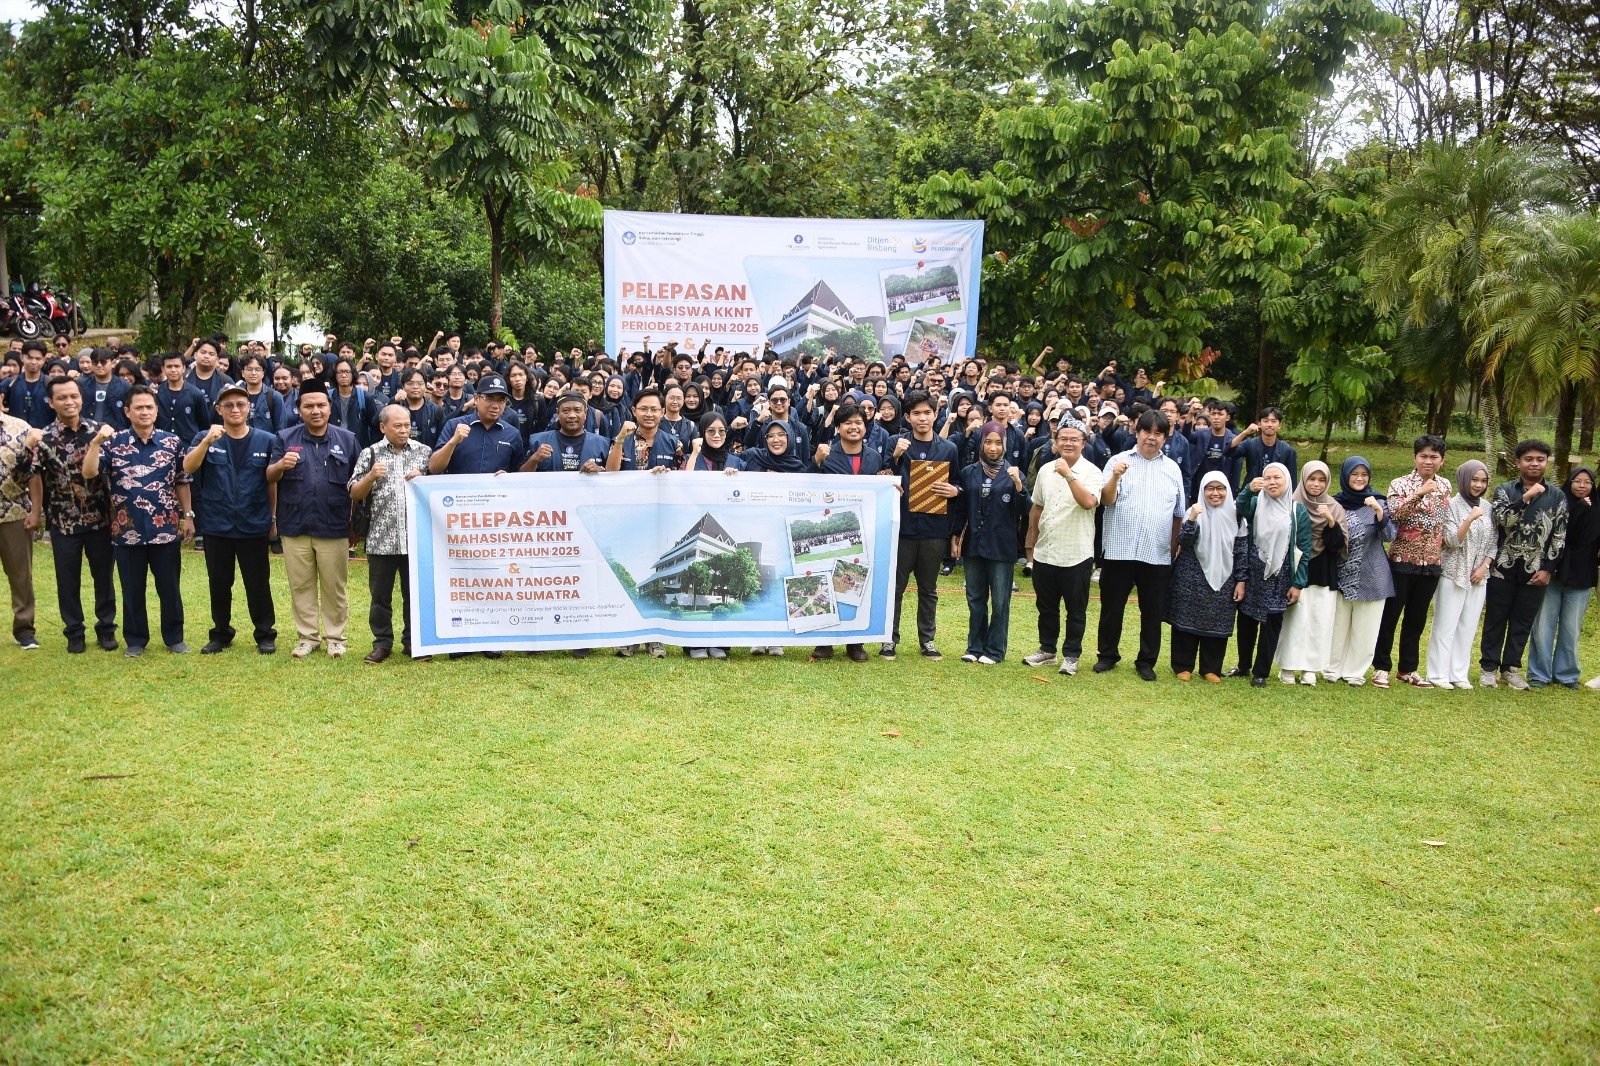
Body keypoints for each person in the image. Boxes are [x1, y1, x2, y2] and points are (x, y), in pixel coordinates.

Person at [81, 386, 193, 655]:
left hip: (165, 529)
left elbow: (182, 480)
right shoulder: (112, 443)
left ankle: (174, 637)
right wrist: (95, 443)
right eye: (139, 407)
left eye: (149, 407)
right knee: (132, 589)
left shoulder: (171, 442)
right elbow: (89, 472)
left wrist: (188, 515)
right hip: (126, 529)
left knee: (169, 588)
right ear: (127, 411)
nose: (145, 412)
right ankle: (135, 640)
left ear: (156, 411)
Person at [184, 383, 280, 654]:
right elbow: (188, 467)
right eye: (228, 405)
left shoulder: (266, 440)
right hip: (217, 524)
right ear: (218, 410)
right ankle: (221, 633)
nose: (235, 409)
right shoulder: (206, 437)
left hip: (253, 522)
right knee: (219, 583)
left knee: (258, 583)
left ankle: (265, 634)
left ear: (249, 408)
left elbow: (272, 483)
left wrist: (273, 518)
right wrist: (206, 441)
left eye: (240, 404)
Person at [1094, 410, 1187, 680]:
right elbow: (1106, 500)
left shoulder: (1172, 469)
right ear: (1137, 432)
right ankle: (1107, 655)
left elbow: (1178, 514)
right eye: (1147, 431)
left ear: (1165, 437)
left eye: (1158, 433)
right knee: (1112, 607)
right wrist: (1115, 477)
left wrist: (1172, 549)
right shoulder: (1118, 461)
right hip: (1119, 549)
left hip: (1156, 552)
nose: (1151, 437)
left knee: (1152, 611)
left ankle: (1146, 660)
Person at [269, 382, 358, 659]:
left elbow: (357, 484)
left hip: (334, 525)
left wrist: (355, 524)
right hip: (295, 525)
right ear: (299, 409)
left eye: (321, 405)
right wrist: (280, 465)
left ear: (330, 408)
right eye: (308, 406)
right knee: (301, 585)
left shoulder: (347, 439)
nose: (315, 410)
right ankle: (307, 637)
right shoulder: (285, 438)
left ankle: (335, 638)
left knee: (334, 587)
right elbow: (269, 476)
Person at [29, 378, 118, 653]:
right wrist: (36, 512)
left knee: (104, 577)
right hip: (63, 521)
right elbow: (32, 476)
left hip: (100, 519)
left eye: (74, 396)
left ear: (81, 398)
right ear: (51, 402)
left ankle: (106, 629)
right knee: (67, 580)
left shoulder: (100, 431)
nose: (69, 402)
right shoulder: (43, 438)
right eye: (62, 397)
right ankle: (74, 632)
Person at [1480, 440, 1568, 690]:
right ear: (1518, 462)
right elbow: (1502, 520)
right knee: (1496, 619)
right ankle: (1488, 668)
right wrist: (1526, 498)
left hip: (1536, 570)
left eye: (1540, 459)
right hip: (1502, 567)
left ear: (1547, 462)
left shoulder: (1557, 496)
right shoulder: (1505, 490)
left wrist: (1548, 569)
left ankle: (1510, 669)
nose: (1534, 464)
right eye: (1529, 459)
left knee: (1522, 622)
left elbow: (1559, 536)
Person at [350, 404, 432, 663]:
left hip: (416, 540)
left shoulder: (423, 452)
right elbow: (354, 493)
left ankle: (413, 642)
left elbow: (437, 490)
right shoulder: (370, 453)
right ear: (383, 427)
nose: (403, 430)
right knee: (380, 597)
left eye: (407, 425)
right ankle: (382, 643)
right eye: (397, 426)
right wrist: (371, 476)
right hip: (381, 540)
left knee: (414, 595)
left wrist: (424, 478)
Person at [1372, 435, 1452, 688]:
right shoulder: (1400, 484)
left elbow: (1441, 522)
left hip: (1431, 563)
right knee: (1390, 616)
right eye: (1423, 456)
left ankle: (1408, 669)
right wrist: (1419, 493)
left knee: (1416, 619)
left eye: (1434, 457)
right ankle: (1381, 667)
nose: (1428, 461)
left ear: (1442, 460)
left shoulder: (1445, 485)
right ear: (1415, 458)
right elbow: (1395, 515)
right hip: (1402, 560)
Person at [807, 404, 886, 663]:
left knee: (854, 582)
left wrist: (892, 489)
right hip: (831, 529)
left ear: (865, 427)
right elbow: (806, 484)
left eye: (858, 422)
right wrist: (816, 461)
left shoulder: (875, 457)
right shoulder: (826, 454)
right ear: (838, 427)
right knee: (826, 582)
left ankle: (855, 642)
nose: (854, 427)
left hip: (865, 531)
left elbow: (882, 488)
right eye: (848, 423)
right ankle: (824, 641)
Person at [1022, 419, 1102, 674]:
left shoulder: (1092, 472)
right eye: (1063, 439)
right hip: (1046, 550)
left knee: (1075, 609)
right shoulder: (1046, 470)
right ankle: (1047, 649)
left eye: (1074, 439)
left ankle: (1071, 655)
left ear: (1083, 443)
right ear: (1055, 442)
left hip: (1076, 552)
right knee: (1046, 607)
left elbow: (1088, 502)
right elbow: (1037, 506)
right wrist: (1032, 541)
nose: (1068, 443)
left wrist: (1068, 475)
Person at [886, 390, 958, 660]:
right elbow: (882, 476)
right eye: (916, 413)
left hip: (934, 529)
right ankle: (889, 639)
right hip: (902, 528)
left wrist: (955, 491)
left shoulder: (948, 448)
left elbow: (958, 481)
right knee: (896, 588)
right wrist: (895, 457)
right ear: (907, 417)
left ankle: (927, 640)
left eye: (927, 412)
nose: (922, 418)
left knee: (928, 589)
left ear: (936, 414)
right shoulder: (897, 443)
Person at [951, 422, 1030, 664]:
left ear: (1005, 445)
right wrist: (955, 536)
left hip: (1001, 546)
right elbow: (961, 508)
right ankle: (975, 646)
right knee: (975, 598)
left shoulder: (1013, 472)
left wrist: (1018, 485)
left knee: (1000, 600)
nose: (993, 448)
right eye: (988, 442)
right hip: (974, 543)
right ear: (981, 443)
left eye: (998, 443)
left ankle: (995, 650)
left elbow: (1024, 509)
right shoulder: (969, 472)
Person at [1231, 462, 1312, 686]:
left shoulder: (1297, 511)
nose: (1272, 482)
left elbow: (1304, 549)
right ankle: (1243, 665)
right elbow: (1241, 506)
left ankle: (1261, 672)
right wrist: (1249, 489)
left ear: (1288, 480)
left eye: (1277, 478)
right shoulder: (1257, 503)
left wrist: (1298, 584)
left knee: (1271, 626)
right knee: (1246, 622)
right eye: (1268, 478)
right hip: (1253, 574)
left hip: (1280, 577)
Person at [1168, 472, 1247, 681]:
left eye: (1220, 488)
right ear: (1202, 490)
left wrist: (1241, 580)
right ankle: (1183, 666)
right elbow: (1184, 542)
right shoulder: (1193, 511)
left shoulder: (1237, 515)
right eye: (1209, 488)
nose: (1215, 493)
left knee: (1218, 620)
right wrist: (1193, 518)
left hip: (1225, 576)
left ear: (1227, 490)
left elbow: (1241, 550)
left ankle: (1210, 668)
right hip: (1192, 573)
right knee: (1186, 617)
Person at [1274, 460, 1346, 685]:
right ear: (1303, 480)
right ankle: (1287, 666)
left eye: (1322, 480)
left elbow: (1337, 546)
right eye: (1312, 479)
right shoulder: (1290, 504)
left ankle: (1310, 668)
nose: (1316, 484)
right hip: (1295, 568)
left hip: (1323, 569)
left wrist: (1331, 521)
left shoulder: (1334, 507)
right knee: (1294, 620)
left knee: (1319, 619)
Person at [1526, 467, 1599, 688]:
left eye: (1587, 482)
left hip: (1582, 576)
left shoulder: (1596, 509)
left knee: (1571, 629)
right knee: (1542, 626)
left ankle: (1567, 675)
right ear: (1570, 482)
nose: (1582, 486)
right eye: (1577, 481)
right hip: (1553, 572)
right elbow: (1559, 534)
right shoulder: (1558, 503)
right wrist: (1579, 509)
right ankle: (1539, 674)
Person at [1427, 460, 1494, 688]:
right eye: (1474, 479)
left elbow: (1494, 541)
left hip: (1478, 577)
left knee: (1468, 627)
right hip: (1453, 573)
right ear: (1464, 479)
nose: (1478, 485)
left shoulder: (1488, 507)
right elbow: (1451, 540)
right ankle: (1438, 674)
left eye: (1483, 481)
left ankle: (1458, 674)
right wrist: (1470, 518)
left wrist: (1484, 566)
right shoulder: (1451, 505)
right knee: (1445, 626)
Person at [1327, 457, 1394, 685]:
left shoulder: (1378, 502)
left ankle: (1354, 672)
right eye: (1354, 474)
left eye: (1364, 475)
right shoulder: (1334, 503)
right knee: (1337, 625)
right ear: (1345, 476)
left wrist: (1379, 512)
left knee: (1366, 628)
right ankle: (1332, 668)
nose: (1359, 479)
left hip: (1371, 574)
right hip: (1341, 573)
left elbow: (1389, 536)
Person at [429, 374, 532, 475]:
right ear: (476, 399)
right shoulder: (454, 426)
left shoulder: (513, 434)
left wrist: (508, 476)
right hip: (460, 487)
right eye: (490, 399)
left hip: (496, 487)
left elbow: (518, 473)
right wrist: (453, 442)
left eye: (501, 400)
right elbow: (434, 468)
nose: (495, 406)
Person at [0, 409, 39, 648]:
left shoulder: (21, 428)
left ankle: (24, 628)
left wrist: (36, 511)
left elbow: (33, 474)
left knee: (20, 574)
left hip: (14, 513)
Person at [526, 391, 611, 472]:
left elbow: (612, 476)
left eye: (577, 410)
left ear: (585, 413)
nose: (572, 415)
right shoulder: (537, 441)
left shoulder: (602, 444)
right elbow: (521, 475)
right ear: (557, 413)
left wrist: (600, 471)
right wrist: (534, 459)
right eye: (566, 410)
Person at [1227, 407, 1299, 489]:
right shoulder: (1250, 444)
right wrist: (1244, 433)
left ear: (1279, 425)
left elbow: (1292, 481)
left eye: (1274, 421)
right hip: (1252, 491)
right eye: (1266, 421)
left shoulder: (1287, 450)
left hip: (1275, 492)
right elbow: (1229, 452)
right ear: (1259, 424)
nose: (1269, 424)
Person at [82, 347, 131, 430]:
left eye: (103, 362)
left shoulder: (125, 386)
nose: (99, 365)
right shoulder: (82, 385)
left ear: (113, 363)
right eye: (95, 362)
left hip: (116, 432)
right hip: (88, 431)